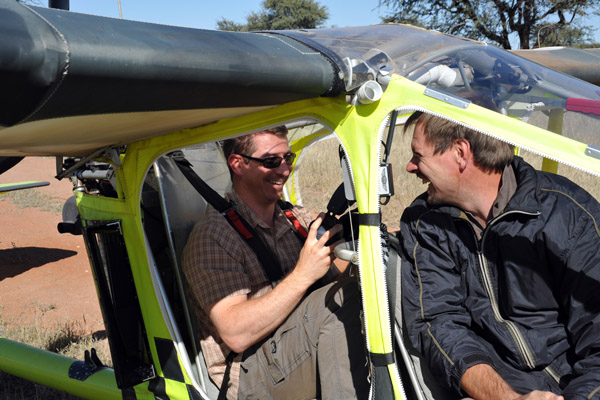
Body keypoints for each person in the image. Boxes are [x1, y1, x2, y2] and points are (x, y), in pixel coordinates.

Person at [399, 111, 600, 400]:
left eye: (418, 155)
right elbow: (440, 325)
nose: (410, 167)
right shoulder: (426, 223)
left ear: (460, 153)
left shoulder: (569, 216)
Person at [181, 126, 369, 399]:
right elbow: (235, 333)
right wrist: (303, 274)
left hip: (294, 345)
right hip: (250, 373)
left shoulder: (294, 218)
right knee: (346, 296)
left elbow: (325, 282)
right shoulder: (212, 237)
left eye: (288, 159)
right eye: (271, 162)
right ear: (238, 164)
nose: (284, 170)